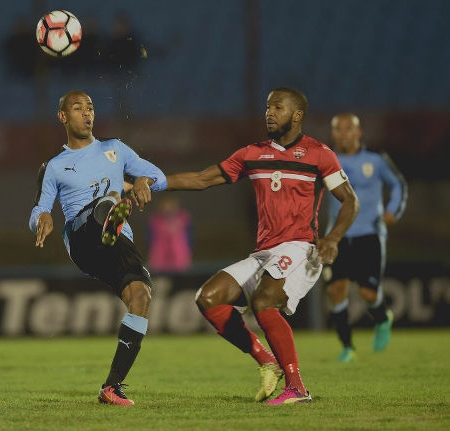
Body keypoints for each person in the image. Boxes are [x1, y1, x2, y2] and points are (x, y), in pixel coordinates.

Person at [164, 87, 359, 404]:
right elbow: (202, 179)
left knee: (265, 301)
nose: (269, 112)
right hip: (264, 252)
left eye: (278, 107)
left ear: (297, 115)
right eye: (268, 107)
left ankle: (297, 387)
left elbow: (350, 201)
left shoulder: (319, 153)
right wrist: (152, 181)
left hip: (301, 247)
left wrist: (334, 238)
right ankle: (267, 361)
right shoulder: (252, 153)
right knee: (208, 298)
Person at [29, 90, 167, 406]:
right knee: (106, 203)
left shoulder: (115, 149)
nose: (86, 113)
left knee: (141, 296)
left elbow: (158, 176)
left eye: (90, 107)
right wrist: (43, 218)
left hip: (120, 242)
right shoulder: (53, 166)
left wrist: (145, 179)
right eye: (77, 108)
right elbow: (38, 209)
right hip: (81, 240)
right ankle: (105, 217)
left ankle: (111, 388)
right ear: (63, 116)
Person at [324, 113, 408, 362]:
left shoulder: (376, 160)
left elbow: (398, 185)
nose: (343, 133)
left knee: (368, 293)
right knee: (336, 290)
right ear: (333, 133)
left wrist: (393, 210)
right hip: (337, 236)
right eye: (338, 129)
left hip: (369, 233)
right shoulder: (327, 161)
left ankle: (382, 319)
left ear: (359, 133)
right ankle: (348, 347)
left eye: (349, 128)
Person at [147, 195, 193, 273]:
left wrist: (188, 255)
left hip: (180, 258)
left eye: (171, 205)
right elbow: (150, 239)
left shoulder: (184, 218)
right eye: (165, 205)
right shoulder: (155, 220)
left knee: (181, 280)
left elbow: (189, 238)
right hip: (159, 258)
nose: (168, 208)